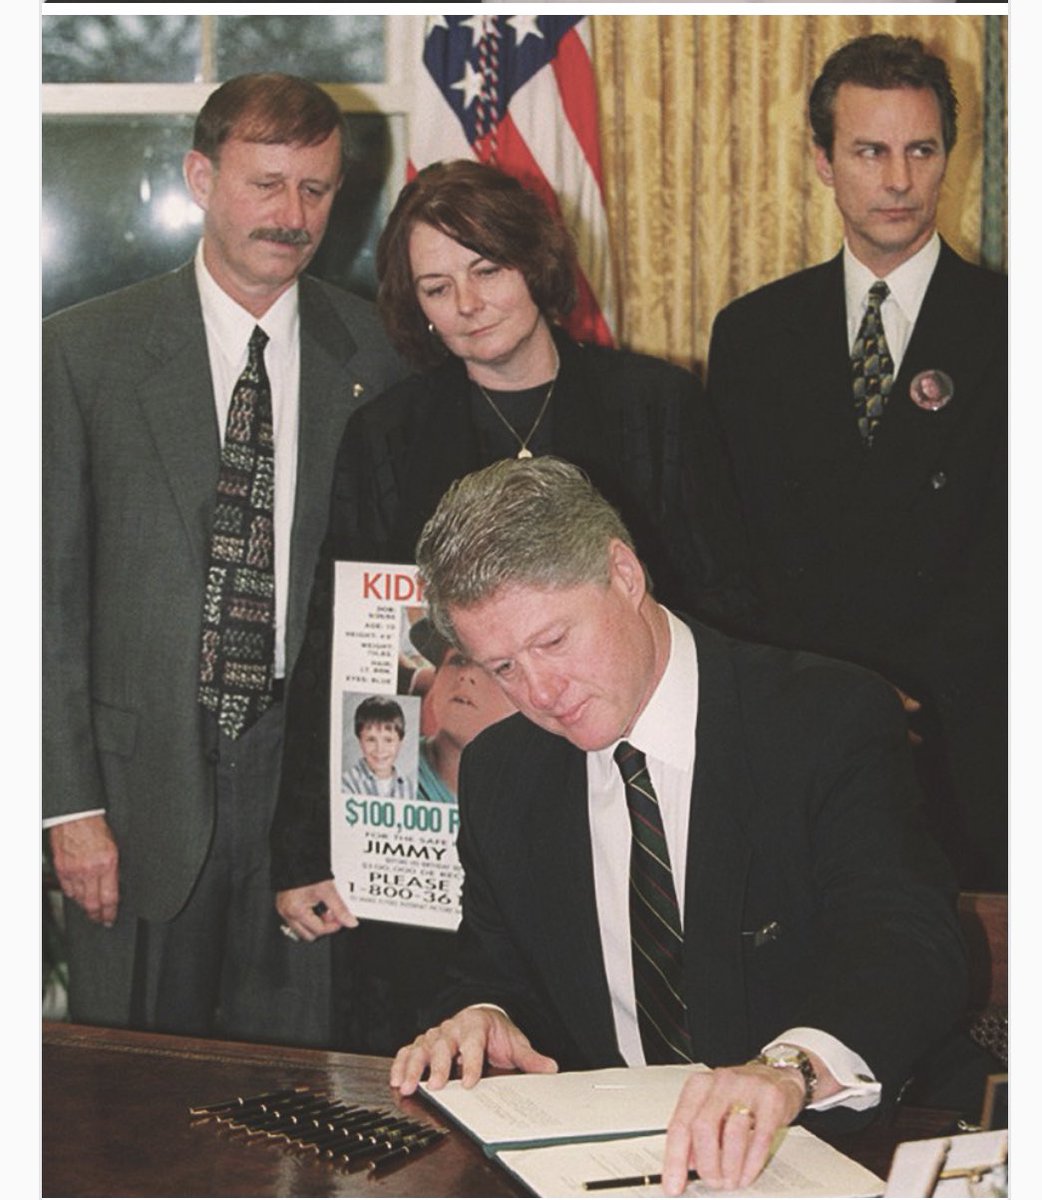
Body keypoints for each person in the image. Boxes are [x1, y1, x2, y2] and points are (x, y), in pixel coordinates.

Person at [390, 456, 966, 1193]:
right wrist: (482, 1014)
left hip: (837, 1143)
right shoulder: (505, 769)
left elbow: (909, 940)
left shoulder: (822, 717)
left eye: (554, 642)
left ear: (625, 576)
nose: (539, 692)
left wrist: (787, 1069)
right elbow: (491, 965)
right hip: (614, 1167)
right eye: (501, 667)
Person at [272, 157, 753, 946]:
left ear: (535, 261)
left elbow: (727, 607)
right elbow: (339, 644)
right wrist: (303, 849)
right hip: (455, 821)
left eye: (487, 269)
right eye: (436, 287)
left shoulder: (655, 406)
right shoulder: (386, 434)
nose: (466, 304)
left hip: (633, 789)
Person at [42, 73, 404, 1045]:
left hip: (311, 797)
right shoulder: (80, 355)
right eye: (266, 184)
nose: (292, 216)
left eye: (317, 190)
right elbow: (42, 605)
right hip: (132, 790)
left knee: (296, 1099)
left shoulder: (380, 355)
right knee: (124, 1112)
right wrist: (64, 807)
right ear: (202, 177)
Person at [706, 34, 1006, 889]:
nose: (900, 180)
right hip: (804, 740)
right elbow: (734, 556)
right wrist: (833, 697)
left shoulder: (1011, 327)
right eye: (870, 152)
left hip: (972, 745)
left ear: (951, 154)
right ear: (823, 161)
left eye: (921, 150)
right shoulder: (755, 334)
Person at [343, 696, 415, 798]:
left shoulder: (410, 787)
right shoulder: (347, 784)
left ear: (400, 742)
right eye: (371, 740)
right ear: (360, 741)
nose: (380, 749)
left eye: (388, 740)